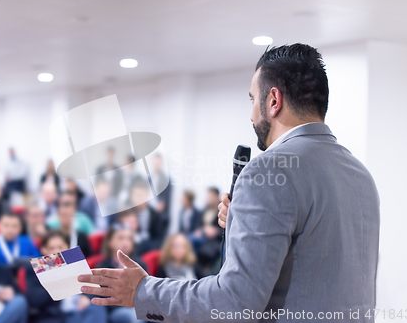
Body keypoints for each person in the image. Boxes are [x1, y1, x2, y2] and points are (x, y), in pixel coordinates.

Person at [78, 44, 381, 323]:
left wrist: (143, 291)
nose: (251, 114)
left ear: (273, 100)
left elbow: (235, 302)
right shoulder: (360, 174)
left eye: (252, 99)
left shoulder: (269, 170)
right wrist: (240, 222)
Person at [25, 230, 107, 323]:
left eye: (60, 247)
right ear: (44, 249)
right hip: (54, 315)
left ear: (67, 247)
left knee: (96, 307)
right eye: (52, 248)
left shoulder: (76, 263)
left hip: (79, 309)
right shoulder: (35, 270)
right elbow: (36, 300)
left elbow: (92, 287)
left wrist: (86, 298)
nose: (56, 251)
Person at [97, 224, 147, 323]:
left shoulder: (140, 265)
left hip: (139, 308)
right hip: (116, 309)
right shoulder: (103, 266)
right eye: (121, 238)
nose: (125, 243)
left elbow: (147, 291)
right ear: (110, 242)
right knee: (134, 317)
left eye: (129, 239)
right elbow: (101, 295)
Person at [127, 179, 168, 254]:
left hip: (149, 250)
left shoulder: (156, 216)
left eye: (142, 195)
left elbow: (160, 240)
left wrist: (146, 245)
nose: (140, 199)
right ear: (131, 197)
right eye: (137, 195)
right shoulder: (127, 215)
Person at [50, 192, 93, 257]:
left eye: (69, 215)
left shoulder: (81, 237)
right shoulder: (52, 237)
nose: (66, 218)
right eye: (63, 215)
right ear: (58, 216)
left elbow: (90, 257)